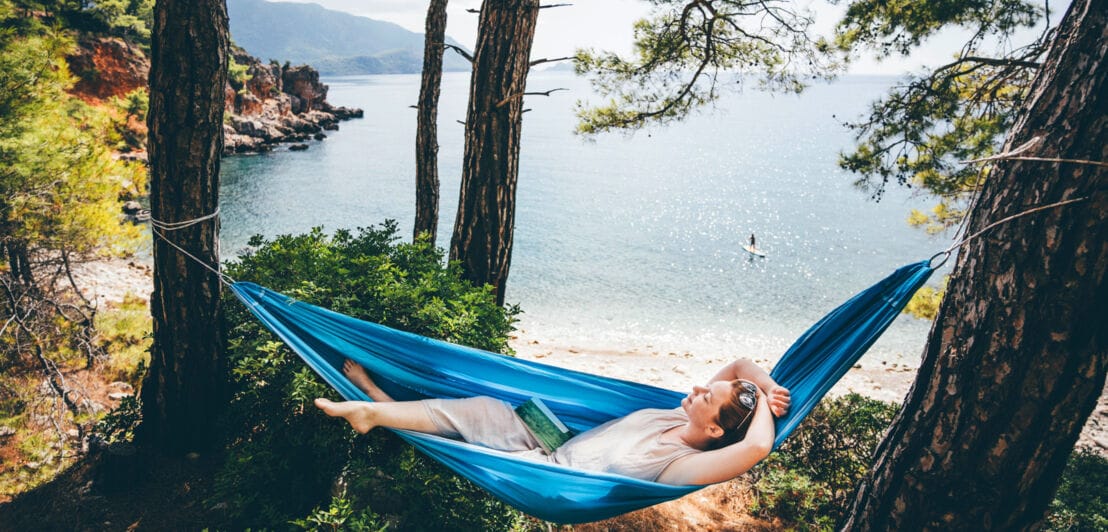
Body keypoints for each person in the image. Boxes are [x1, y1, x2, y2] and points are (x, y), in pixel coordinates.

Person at [315, 358, 791, 486]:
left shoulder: (681, 465)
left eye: (708, 397)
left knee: (469, 443)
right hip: (554, 440)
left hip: (549, 473)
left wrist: (765, 414)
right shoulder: (677, 413)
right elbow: (740, 364)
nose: (698, 389)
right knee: (483, 408)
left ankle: (374, 407)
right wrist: (767, 389)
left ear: (714, 431)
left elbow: (754, 450)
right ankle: (374, 409)